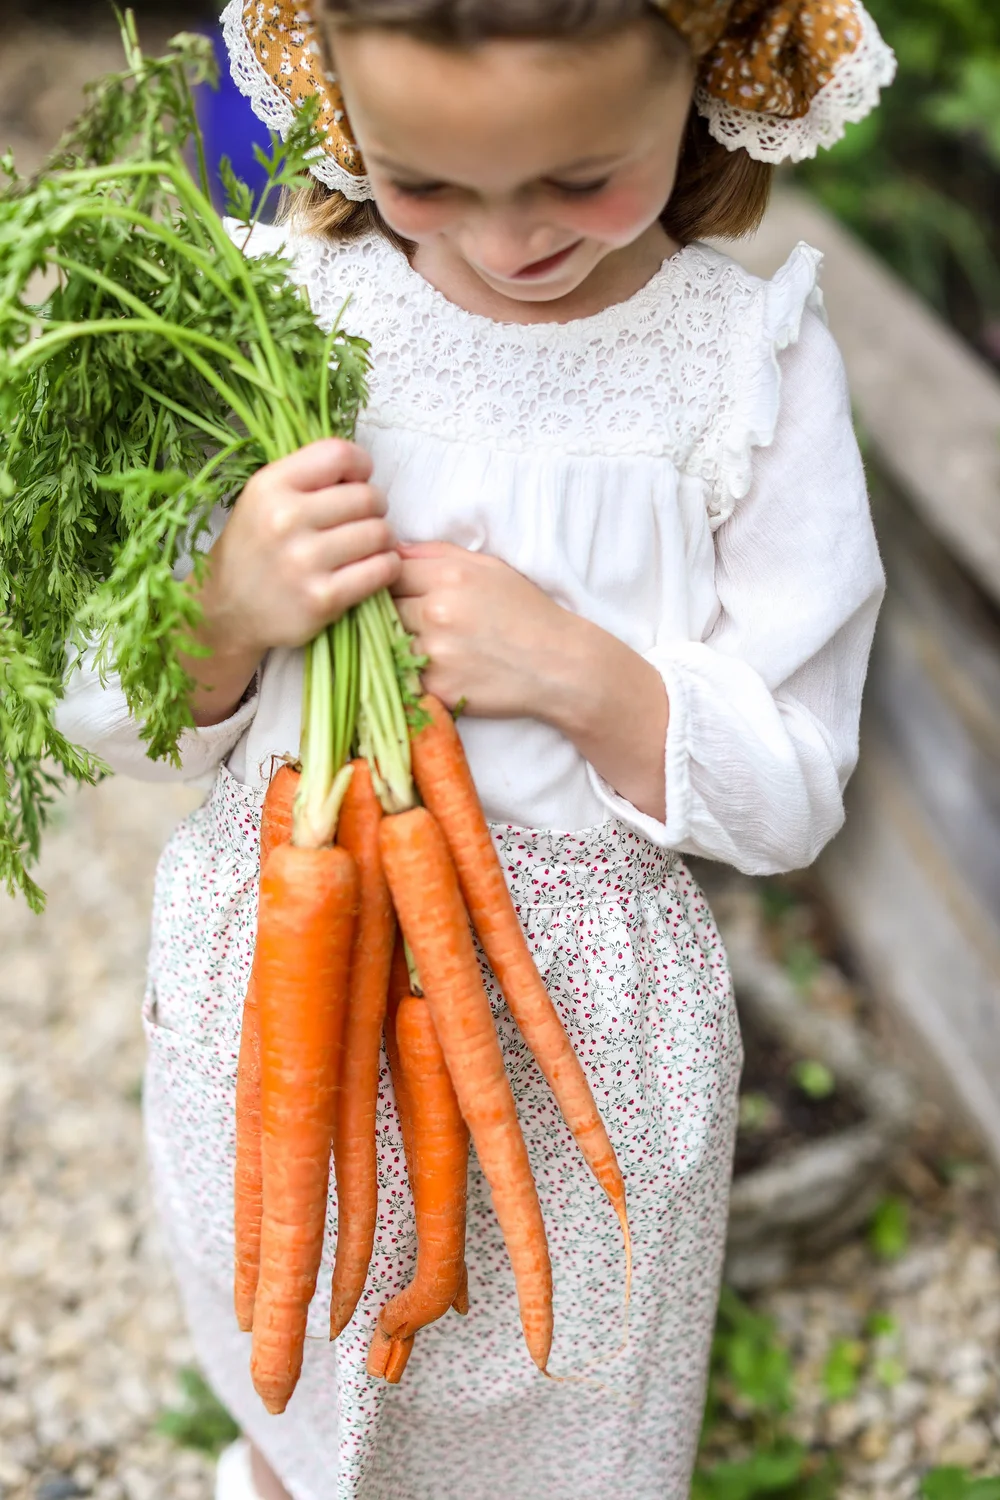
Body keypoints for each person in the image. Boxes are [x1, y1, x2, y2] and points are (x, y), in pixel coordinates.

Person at [58, 1, 894, 1496]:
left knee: (565, 1391)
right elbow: (99, 706)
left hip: (582, 1039)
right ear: (337, 115)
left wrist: (587, 679)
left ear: (704, 86)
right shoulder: (271, 307)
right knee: (291, 1341)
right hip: (282, 985)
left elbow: (794, 794)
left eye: (580, 180)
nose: (510, 241)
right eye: (425, 182)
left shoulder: (743, 362)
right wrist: (227, 605)